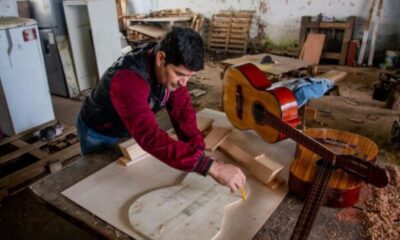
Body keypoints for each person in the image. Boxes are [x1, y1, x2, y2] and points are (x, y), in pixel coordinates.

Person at [76, 27, 245, 193]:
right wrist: (211, 167)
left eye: (189, 76)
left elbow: (182, 112)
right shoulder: (127, 80)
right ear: (160, 58)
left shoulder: (166, 64)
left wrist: (197, 152)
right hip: (98, 133)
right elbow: (149, 137)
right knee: (103, 189)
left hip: (127, 127)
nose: (184, 83)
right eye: (179, 74)